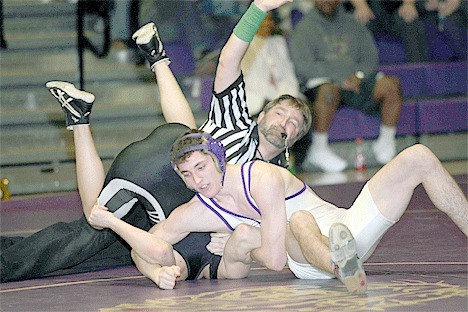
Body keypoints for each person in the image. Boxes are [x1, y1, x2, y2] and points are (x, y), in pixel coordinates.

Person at [0, 0, 311, 283]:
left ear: (293, 140)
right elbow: (228, 61)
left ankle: (155, 60)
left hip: (165, 205)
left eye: (292, 123)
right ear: (261, 116)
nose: (283, 122)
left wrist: (239, 234)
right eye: (279, 112)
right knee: (96, 222)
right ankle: (81, 119)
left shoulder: (276, 181)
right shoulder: (237, 121)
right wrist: (257, 9)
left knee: (99, 250)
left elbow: (272, 230)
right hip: (166, 174)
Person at [89, 128, 467, 295]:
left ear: (219, 161)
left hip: (347, 225)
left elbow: (268, 257)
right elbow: (150, 246)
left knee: (418, 157)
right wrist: (156, 272)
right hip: (308, 259)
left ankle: (344, 260)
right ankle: (342, 267)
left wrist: (241, 244)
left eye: (201, 168)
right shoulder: (198, 208)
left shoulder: (262, 178)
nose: (197, 181)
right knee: (300, 220)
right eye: (187, 175)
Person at [289, 0, 403, 172]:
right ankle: (318, 148)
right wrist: (339, 78)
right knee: (328, 91)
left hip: (358, 81)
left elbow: (370, 57)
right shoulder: (304, 28)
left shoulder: (354, 24)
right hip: (324, 85)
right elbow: (303, 66)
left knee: (391, 85)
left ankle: (387, 141)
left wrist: (359, 76)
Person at [241, 10, 302, 116]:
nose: (267, 24)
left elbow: (288, 76)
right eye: (263, 20)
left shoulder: (278, 43)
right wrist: (276, 101)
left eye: (270, 20)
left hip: (281, 97)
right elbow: (250, 81)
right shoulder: (242, 44)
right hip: (254, 98)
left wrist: (286, 98)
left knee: (303, 109)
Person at [346, 0, 430, 63]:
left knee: (411, 21)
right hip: (369, 7)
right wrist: (361, 6)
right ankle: (356, 78)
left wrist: (409, 3)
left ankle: (420, 74)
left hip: (397, 7)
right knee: (358, 24)